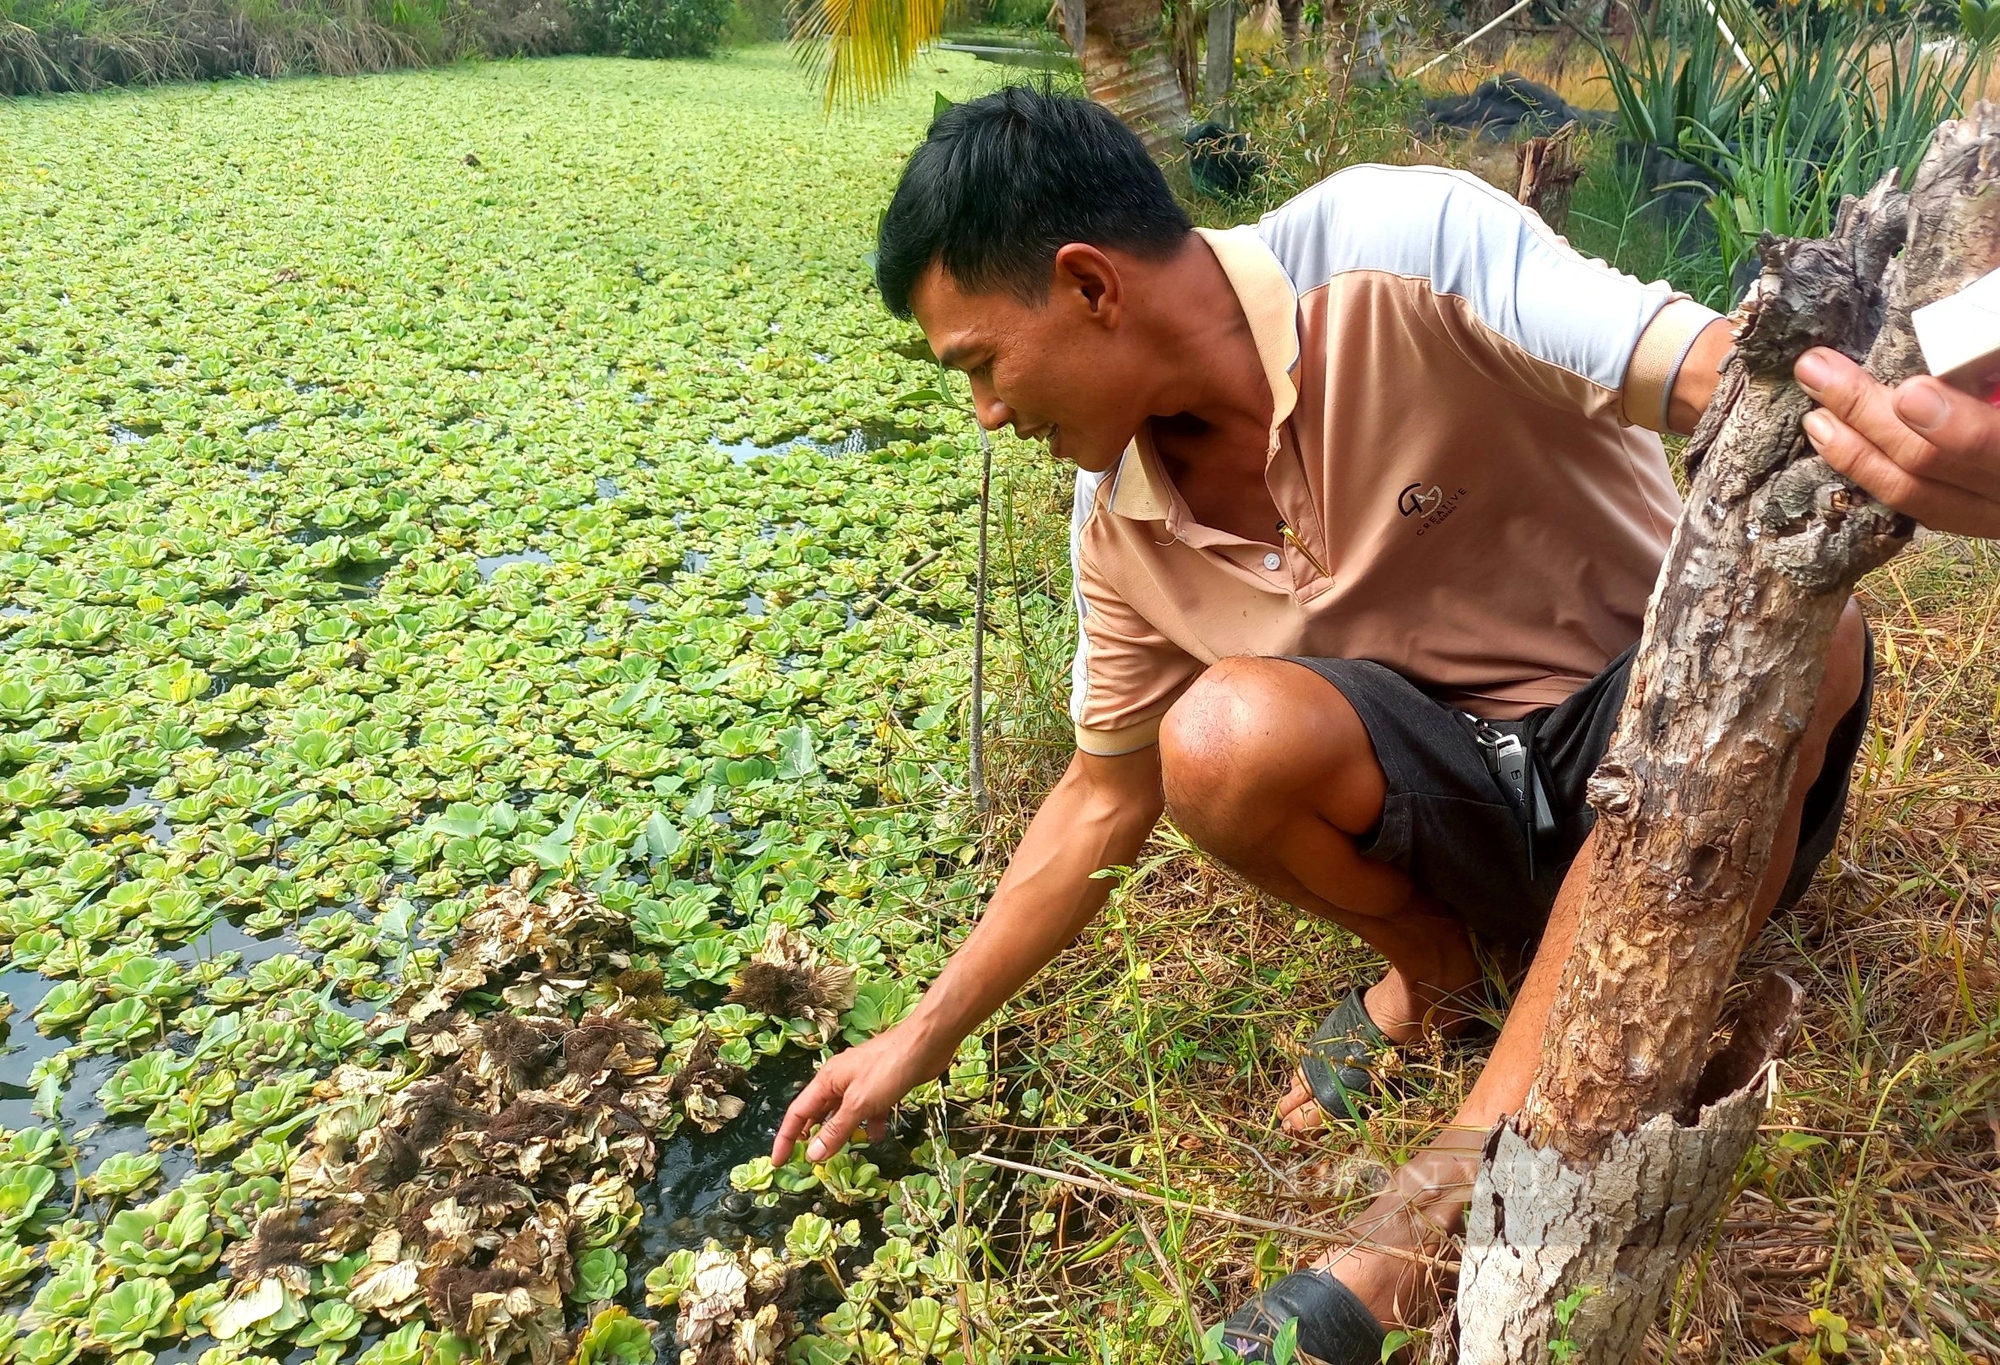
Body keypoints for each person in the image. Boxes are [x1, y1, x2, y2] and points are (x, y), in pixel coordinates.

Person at [771, 87, 1885, 1361]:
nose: (984, 413)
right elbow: (1098, 797)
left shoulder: (1399, 248)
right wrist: (918, 1035)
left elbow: (1728, 387)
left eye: (978, 363)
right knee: (1214, 740)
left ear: (1088, 285)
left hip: (1692, 774)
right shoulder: (1116, 523)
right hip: (1474, 811)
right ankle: (1446, 975)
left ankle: (1433, 1206)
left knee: (1822, 634)